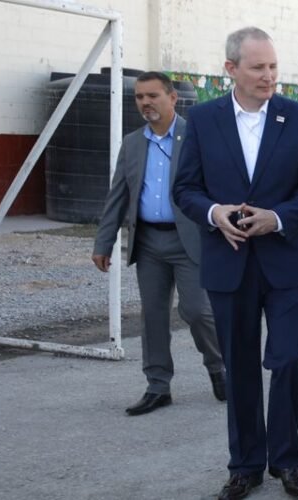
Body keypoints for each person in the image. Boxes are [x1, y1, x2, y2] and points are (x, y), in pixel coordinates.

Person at [174, 27, 298, 500]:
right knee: (239, 366)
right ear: (231, 69)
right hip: (229, 262)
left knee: (290, 360)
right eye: (258, 67)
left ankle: (287, 460)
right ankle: (245, 465)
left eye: (273, 66)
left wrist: (277, 218)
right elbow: (185, 188)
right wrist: (214, 213)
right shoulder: (204, 120)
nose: (269, 75)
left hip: (286, 263)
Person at [92, 71, 224, 416]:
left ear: (173, 98)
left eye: (153, 95)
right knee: (152, 316)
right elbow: (118, 195)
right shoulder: (133, 143)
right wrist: (104, 241)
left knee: (197, 310)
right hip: (149, 241)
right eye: (139, 97)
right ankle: (158, 386)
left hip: (190, 240)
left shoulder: (197, 137)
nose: (145, 102)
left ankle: (219, 367)